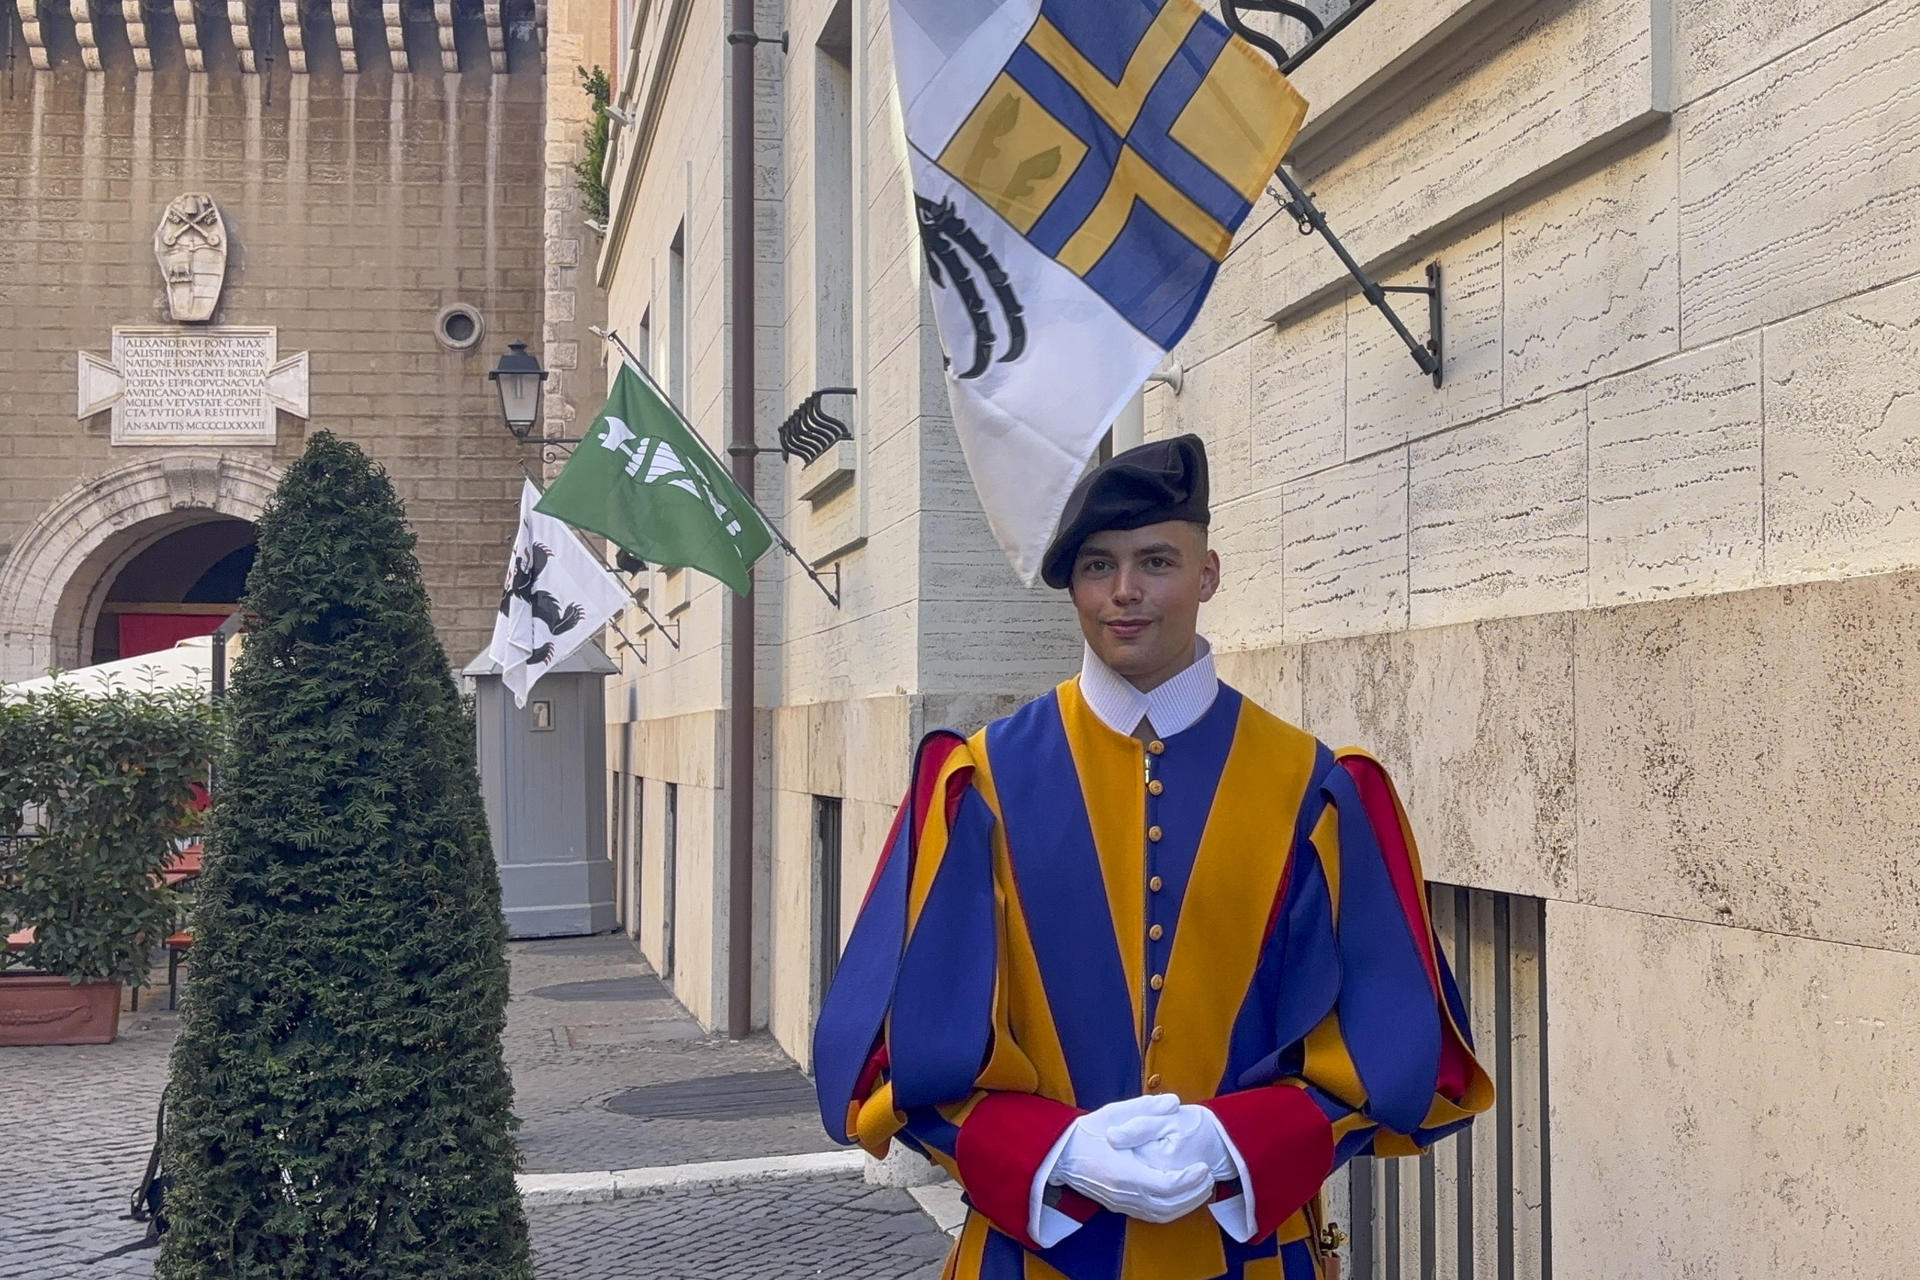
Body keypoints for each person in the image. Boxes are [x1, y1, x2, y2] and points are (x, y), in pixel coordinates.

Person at [813, 435, 1492, 1280]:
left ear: (1207, 575)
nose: (1125, 593)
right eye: (1098, 566)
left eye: (1156, 562)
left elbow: (1393, 1057)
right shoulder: (978, 784)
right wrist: (1052, 1150)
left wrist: (1233, 1141)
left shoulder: (1312, 788)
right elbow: (899, 1061)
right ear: (1071, 586)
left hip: (1254, 1258)